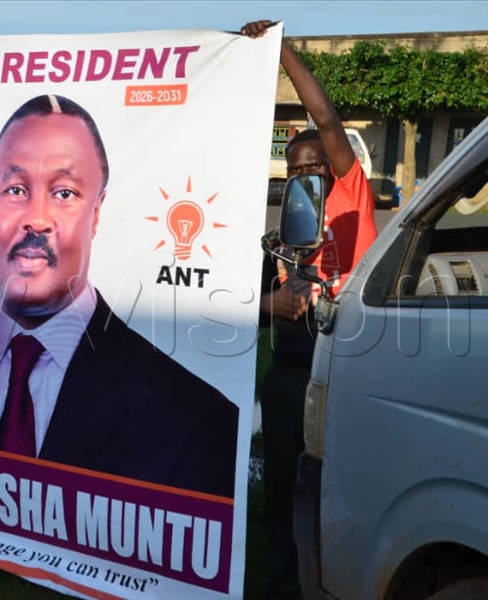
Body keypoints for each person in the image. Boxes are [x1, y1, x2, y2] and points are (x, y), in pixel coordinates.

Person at [0, 94, 239, 498]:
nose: (37, 219)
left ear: (96, 214)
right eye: (14, 189)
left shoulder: (194, 415)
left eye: (64, 193)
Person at [241, 20, 377, 600]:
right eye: (293, 170)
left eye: (312, 168)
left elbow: (325, 121)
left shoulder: (349, 203)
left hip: (342, 379)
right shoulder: (281, 236)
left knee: (330, 500)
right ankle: (279, 587)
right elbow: (238, 306)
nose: (302, 177)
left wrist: (281, 53)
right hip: (287, 381)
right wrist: (272, 303)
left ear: (335, 168)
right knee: (279, 500)